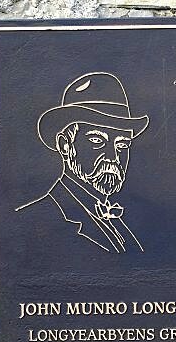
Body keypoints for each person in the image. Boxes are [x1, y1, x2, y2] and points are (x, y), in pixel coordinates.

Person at [15, 72, 149, 253]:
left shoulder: (120, 223)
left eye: (122, 144)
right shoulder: (33, 222)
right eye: (97, 141)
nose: (113, 156)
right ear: (65, 145)